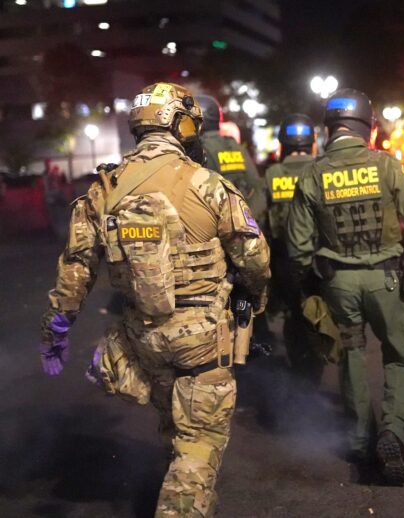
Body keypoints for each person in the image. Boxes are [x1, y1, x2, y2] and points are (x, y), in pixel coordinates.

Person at [37, 82, 271, 516]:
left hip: (143, 338)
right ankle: (183, 505)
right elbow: (254, 259)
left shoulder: (103, 190)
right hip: (201, 339)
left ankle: (191, 497)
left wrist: (57, 327)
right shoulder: (209, 185)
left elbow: (75, 270)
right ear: (180, 124)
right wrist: (255, 299)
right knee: (199, 442)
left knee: (174, 426)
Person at [286, 88, 404, 485]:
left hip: (338, 283)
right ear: (367, 128)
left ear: (329, 130)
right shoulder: (385, 166)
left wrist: (309, 281)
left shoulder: (312, 174)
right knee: (403, 354)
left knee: (351, 354)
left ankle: (358, 439)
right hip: (385, 281)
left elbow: (299, 248)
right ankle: (392, 432)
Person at [198, 93, 272, 349]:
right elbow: (258, 189)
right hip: (246, 236)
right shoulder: (236, 147)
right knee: (250, 296)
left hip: (217, 241)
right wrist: (248, 222)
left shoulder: (199, 150)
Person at [265, 113, 323, 382]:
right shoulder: (323, 170)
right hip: (322, 260)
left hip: (284, 260)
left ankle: (302, 372)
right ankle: (318, 361)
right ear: (313, 143)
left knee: (293, 315)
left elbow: (260, 221)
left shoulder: (273, 174)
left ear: (282, 144)